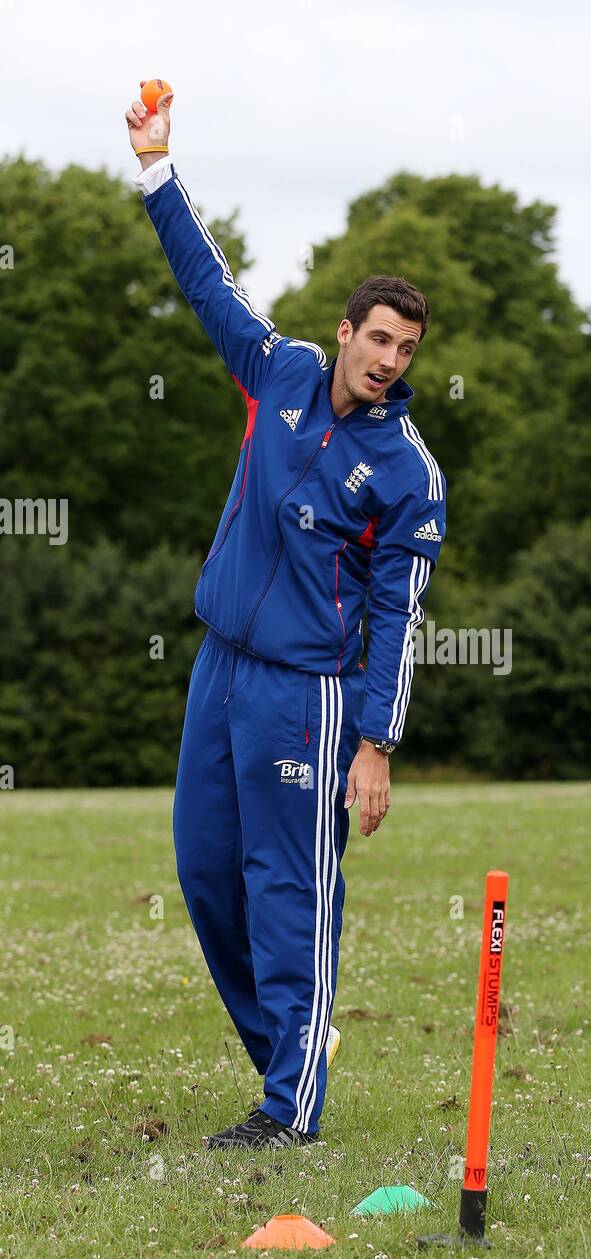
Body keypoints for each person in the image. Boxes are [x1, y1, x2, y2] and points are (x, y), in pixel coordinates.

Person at [124, 87, 446, 1150]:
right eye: (381, 337)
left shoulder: (406, 472)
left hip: (308, 696)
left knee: (288, 885)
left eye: (408, 348)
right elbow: (210, 285)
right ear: (346, 330)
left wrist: (376, 742)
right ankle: (293, 1045)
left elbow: (398, 614)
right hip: (220, 666)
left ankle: (288, 1106)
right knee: (203, 867)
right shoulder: (283, 373)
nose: (391, 359)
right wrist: (159, 170)